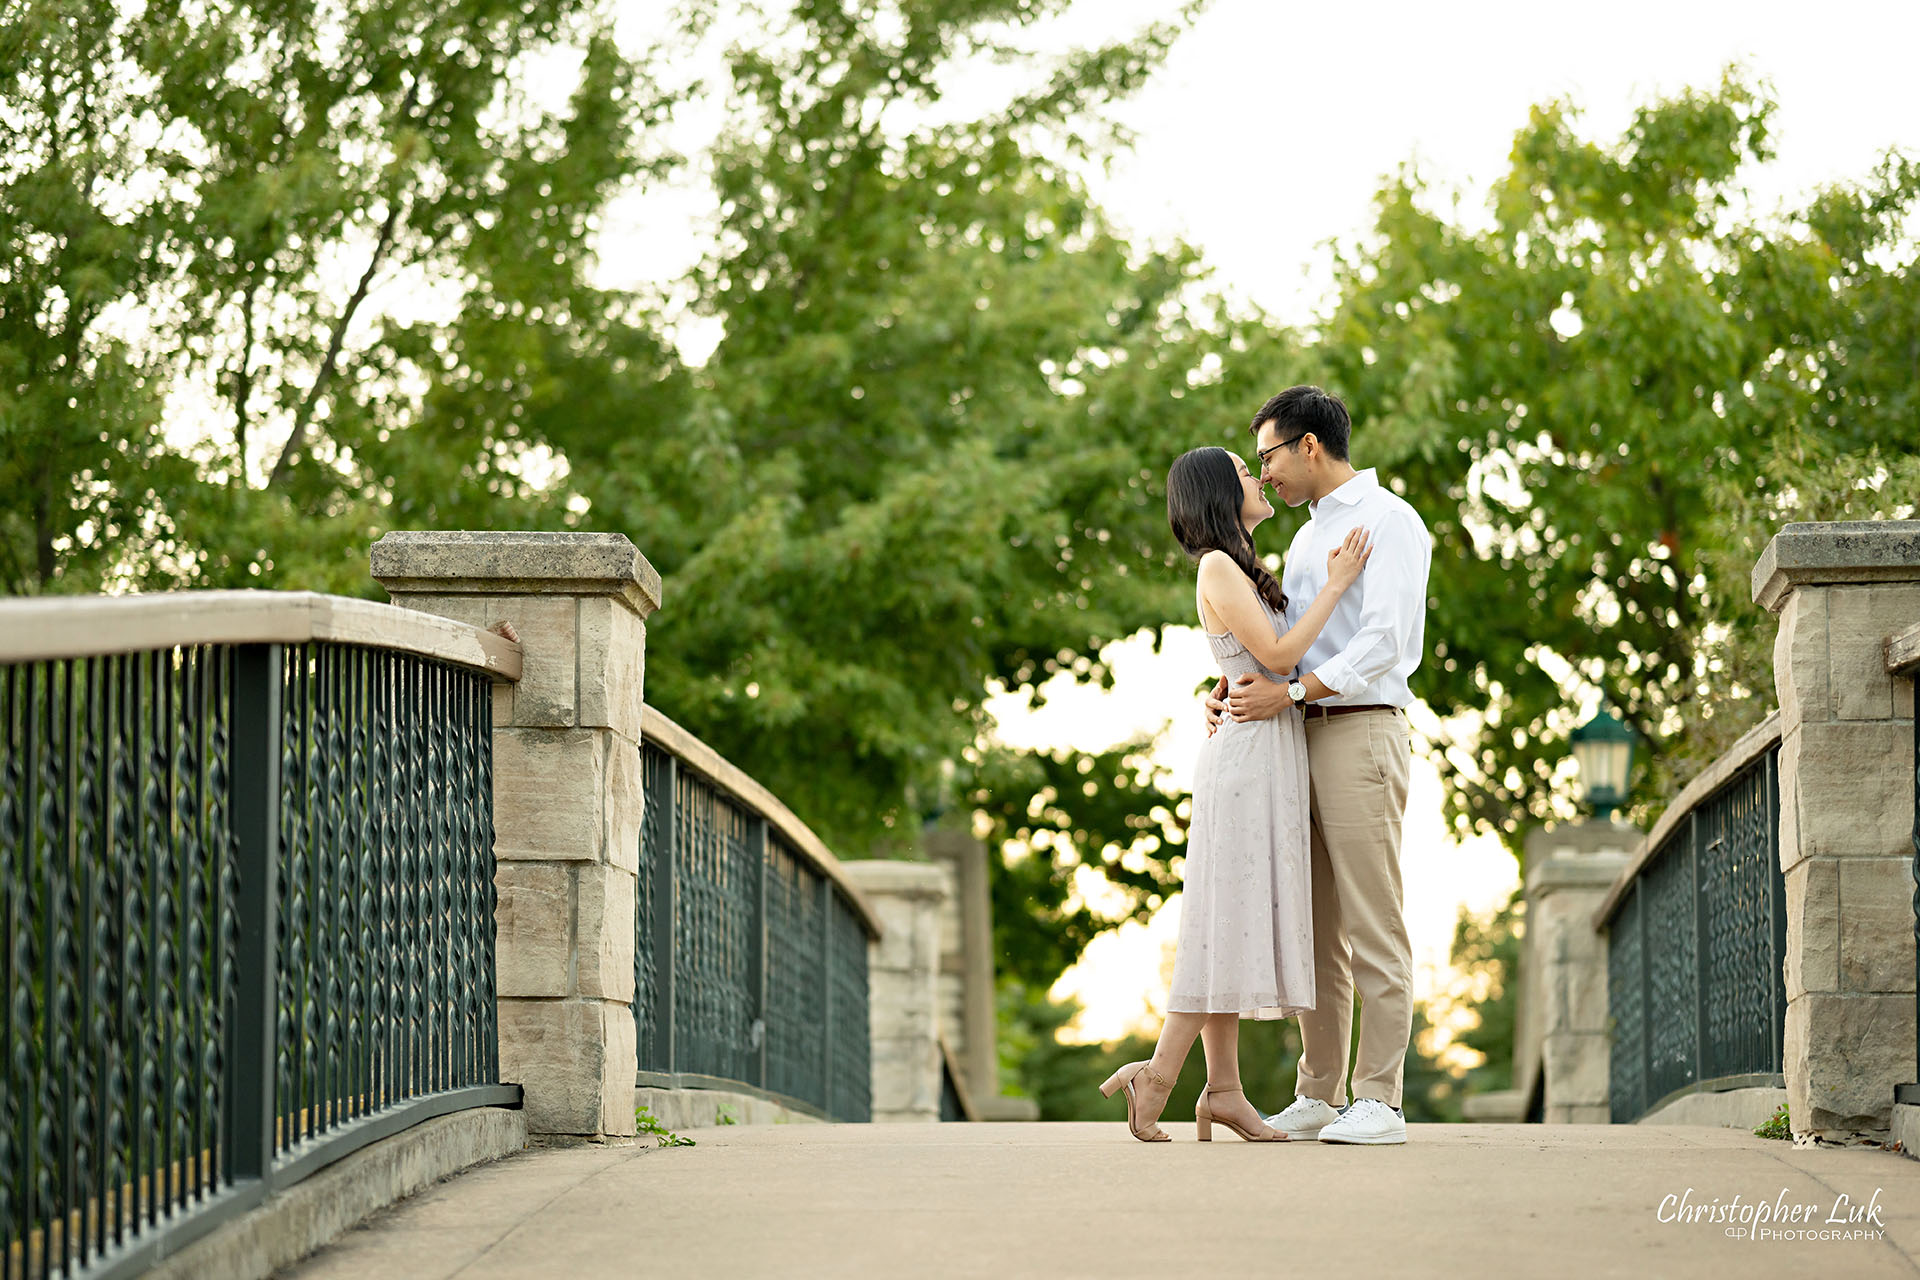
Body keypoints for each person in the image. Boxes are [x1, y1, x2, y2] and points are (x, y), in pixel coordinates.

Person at [1101, 444, 1372, 1142]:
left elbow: (1252, 659)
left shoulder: (1241, 568)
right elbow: (1279, 660)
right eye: (1245, 471)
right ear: (1220, 493)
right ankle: (1159, 1075)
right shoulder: (1217, 565)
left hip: (1263, 750)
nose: (1258, 477)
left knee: (1226, 923)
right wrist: (1340, 583)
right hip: (1248, 764)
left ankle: (1223, 1091)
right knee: (1222, 924)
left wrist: (1217, 688)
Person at [1207, 385, 1431, 1146]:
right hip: (1296, 734)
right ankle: (1319, 1092)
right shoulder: (1306, 540)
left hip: (1360, 730)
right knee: (1315, 928)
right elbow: (1286, 638)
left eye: (1267, 455)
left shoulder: (1388, 520)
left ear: (1308, 445)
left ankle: (1382, 1100)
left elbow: (1386, 642)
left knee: (1373, 918)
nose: (1263, 473)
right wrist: (1234, 690)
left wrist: (1293, 690)